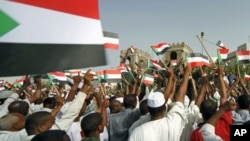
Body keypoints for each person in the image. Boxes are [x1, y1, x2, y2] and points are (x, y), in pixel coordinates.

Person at [129, 64, 191, 141]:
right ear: (165, 109)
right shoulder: (173, 123)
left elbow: (168, 98)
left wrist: (171, 78)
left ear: (148, 109)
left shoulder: (136, 132)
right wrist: (186, 73)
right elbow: (181, 95)